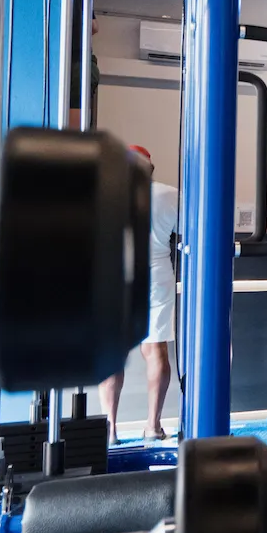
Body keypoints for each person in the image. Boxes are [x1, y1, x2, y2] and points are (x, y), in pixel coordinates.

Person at [101, 146, 178, 441]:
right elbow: (188, 232)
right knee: (156, 350)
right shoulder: (170, 195)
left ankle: (110, 428)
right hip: (156, 274)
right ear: (151, 169)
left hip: (115, 276)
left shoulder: (105, 194)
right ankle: (153, 426)